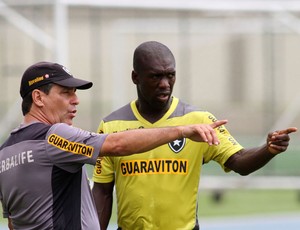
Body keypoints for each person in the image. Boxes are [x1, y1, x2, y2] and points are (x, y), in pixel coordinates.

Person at [92, 41, 297, 230]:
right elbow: (102, 190)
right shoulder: (111, 126)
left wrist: (268, 150)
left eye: (170, 75)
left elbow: (239, 161)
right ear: (135, 77)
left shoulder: (199, 121)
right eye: (156, 76)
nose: (165, 83)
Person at [0, 61, 227, 230]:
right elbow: (115, 145)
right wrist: (181, 130)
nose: (75, 99)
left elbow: (12, 223)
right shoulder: (54, 136)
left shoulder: (4, 153)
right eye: (66, 92)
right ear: (38, 98)